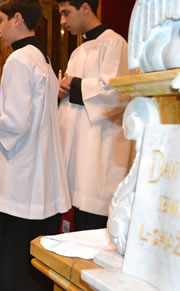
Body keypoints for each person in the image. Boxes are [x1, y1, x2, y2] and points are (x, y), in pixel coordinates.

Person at [0, 1, 71, 291]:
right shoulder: (42, 58)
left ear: (18, 19)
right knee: (29, 263)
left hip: (15, 182)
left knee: (7, 260)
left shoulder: (18, 58)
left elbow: (14, 122)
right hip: (35, 179)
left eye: (1, 21)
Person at [56, 0, 132, 230]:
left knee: (92, 225)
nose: (62, 21)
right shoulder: (78, 52)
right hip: (76, 153)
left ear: (86, 8)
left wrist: (74, 85)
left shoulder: (115, 44)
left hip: (99, 153)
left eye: (66, 13)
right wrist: (60, 92)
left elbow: (116, 93)